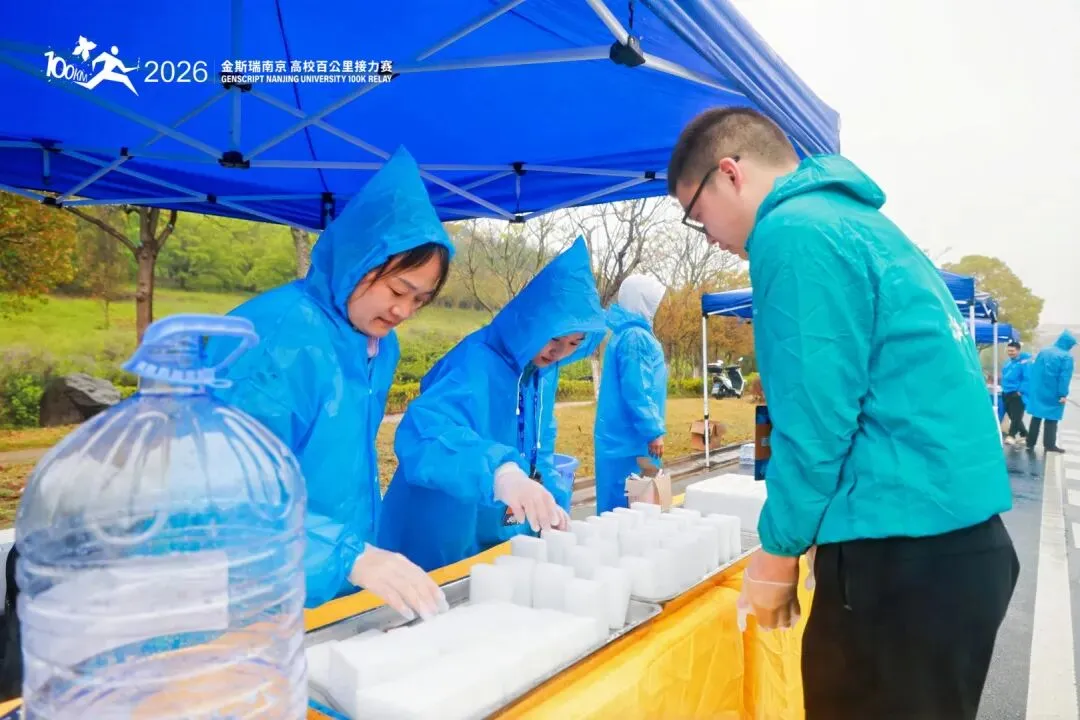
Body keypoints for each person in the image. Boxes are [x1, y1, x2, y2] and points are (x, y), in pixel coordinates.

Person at [667, 107, 1018, 720]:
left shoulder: (793, 232)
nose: (710, 237)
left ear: (730, 174)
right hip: (953, 548)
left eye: (697, 216)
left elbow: (814, 422)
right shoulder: (860, 223)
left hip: (900, 559)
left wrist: (778, 551)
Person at [208, 147, 454, 620]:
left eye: (419, 300)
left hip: (325, 574)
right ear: (358, 261)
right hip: (251, 586)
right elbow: (222, 493)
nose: (403, 311)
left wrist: (352, 555)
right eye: (397, 290)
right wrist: (341, 553)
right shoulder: (274, 340)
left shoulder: (376, 343)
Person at [378, 237, 607, 571]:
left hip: (492, 525)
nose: (559, 352)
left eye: (574, 343)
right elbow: (426, 434)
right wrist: (500, 471)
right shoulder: (475, 363)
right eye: (555, 338)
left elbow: (539, 447)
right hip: (439, 524)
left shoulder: (539, 372)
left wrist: (552, 503)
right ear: (532, 323)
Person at [593, 274, 669, 514]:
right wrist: (653, 431)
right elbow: (638, 389)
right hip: (631, 441)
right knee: (632, 508)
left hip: (623, 439)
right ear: (642, 301)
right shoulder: (636, 337)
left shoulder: (626, 334)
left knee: (620, 507)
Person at [1025, 330, 1076, 453]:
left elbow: (1034, 370)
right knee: (1052, 419)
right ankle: (1049, 445)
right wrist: (1062, 394)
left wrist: (1033, 387)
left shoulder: (1044, 351)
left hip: (1038, 390)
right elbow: (1064, 377)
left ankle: (1030, 442)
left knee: (1036, 416)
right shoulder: (1066, 357)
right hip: (1054, 392)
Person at [1001, 340, 1031, 445]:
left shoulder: (1025, 363)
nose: (1010, 353)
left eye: (1012, 351)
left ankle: (1011, 436)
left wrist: (1020, 391)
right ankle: (1025, 434)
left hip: (1017, 393)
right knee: (1012, 416)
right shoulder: (1008, 362)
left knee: (1016, 416)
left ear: (1018, 350)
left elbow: (1028, 378)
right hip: (1006, 392)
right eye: (1009, 351)